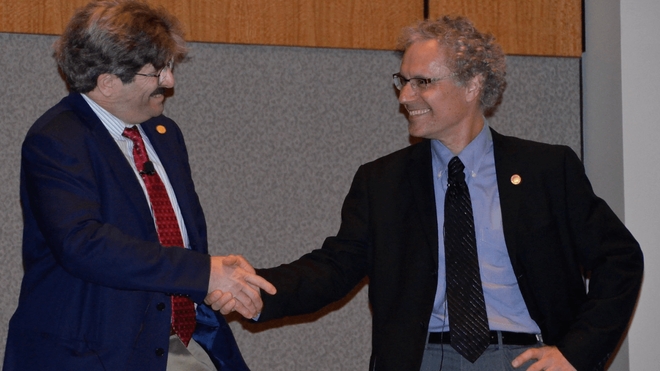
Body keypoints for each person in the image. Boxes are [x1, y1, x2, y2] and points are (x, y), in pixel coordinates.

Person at [209, 15, 644, 371]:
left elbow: (620, 259)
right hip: (420, 360)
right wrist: (256, 289)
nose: (405, 96)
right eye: (402, 80)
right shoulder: (382, 182)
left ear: (472, 86)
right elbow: (333, 267)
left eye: (423, 82)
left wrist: (575, 353)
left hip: (525, 358)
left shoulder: (547, 169)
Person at [3, 1, 275, 370]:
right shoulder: (57, 139)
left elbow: (172, 238)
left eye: (169, 67)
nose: (170, 81)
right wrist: (204, 271)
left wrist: (219, 279)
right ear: (108, 83)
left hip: (177, 344)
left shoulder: (165, 134)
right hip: (93, 354)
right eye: (157, 71)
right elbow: (84, 245)